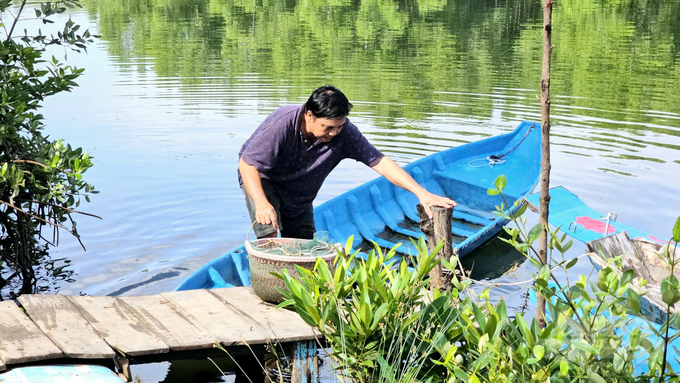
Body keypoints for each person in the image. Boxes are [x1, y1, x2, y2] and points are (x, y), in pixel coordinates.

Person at [238, 85, 456, 239]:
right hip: (264, 179)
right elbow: (248, 165)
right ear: (310, 115)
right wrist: (262, 203)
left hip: (300, 189)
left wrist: (421, 193)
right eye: (328, 127)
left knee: (304, 243)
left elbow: (379, 161)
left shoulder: (345, 133)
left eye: (339, 127)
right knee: (270, 231)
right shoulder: (283, 124)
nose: (334, 133)